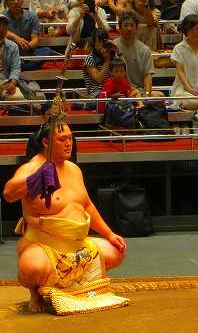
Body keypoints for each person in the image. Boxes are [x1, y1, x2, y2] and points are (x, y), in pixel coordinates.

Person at [2, 120, 126, 313]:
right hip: (46, 247)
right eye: (62, 139)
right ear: (46, 142)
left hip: (77, 244)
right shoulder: (32, 168)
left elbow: (86, 205)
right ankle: (35, 291)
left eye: (70, 138)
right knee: (31, 268)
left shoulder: (73, 169)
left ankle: (69, 285)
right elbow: (9, 194)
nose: (69, 143)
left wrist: (109, 233)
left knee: (116, 252)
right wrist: (34, 179)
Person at [3, 0, 59, 71]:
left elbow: (35, 39)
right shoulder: (2, 17)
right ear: (6, 3)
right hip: (10, 51)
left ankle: (19, 66)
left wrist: (27, 46)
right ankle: (22, 65)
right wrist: (16, 38)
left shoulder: (32, 16)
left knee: (46, 51)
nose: (16, 2)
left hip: (28, 51)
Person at [112, 11, 165, 98]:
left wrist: (147, 94)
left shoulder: (144, 50)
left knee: (160, 96)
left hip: (138, 92)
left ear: (136, 28)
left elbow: (148, 75)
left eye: (132, 25)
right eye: (125, 25)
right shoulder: (113, 47)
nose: (129, 28)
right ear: (120, 28)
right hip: (118, 92)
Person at [0, 13, 25, 102]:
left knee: (19, 99)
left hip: (6, 82)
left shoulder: (13, 46)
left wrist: (12, 83)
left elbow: (16, 68)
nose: (1, 28)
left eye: (3, 25)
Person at [83, 28, 114, 100]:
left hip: (113, 93)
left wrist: (118, 52)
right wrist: (107, 60)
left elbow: (123, 75)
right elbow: (98, 79)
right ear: (94, 43)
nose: (101, 45)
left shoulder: (113, 56)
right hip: (97, 95)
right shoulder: (90, 59)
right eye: (99, 42)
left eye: (103, 42)